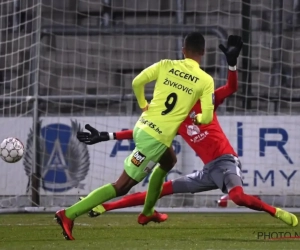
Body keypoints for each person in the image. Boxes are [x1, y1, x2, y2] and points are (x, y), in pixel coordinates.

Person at [78, 36, 298, 228]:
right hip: (206, 172)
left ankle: (277, 212)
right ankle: (106, 207)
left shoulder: (208, 101)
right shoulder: (177, 119)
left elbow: (231, 88)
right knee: (159, 189)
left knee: (238, 197)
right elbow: (145, 132)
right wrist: (108, 136)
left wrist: (232, 64)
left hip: (225, 161)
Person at [55, 31, 216, 240]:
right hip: (154, 140)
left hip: (142, 127)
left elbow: (136, 82)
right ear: (203, 52)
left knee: (169, 160)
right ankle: (68, 214)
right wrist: (197, 119)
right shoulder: (205, 80)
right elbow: (207, 118)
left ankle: (148, 212)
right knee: (121, 186)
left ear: (183, 50)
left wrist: (143, 104)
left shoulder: (166, 64)